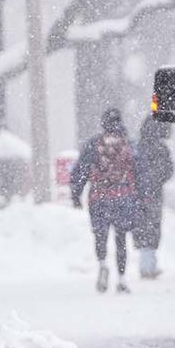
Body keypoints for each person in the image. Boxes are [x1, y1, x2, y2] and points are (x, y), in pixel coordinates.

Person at [71, 108, 139, 294]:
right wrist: (141, 196)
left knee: (100, 236)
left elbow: (81, 170)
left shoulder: (94, 144)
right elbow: (140, 171)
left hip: (98, 197)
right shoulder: (130, 145)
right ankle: (122, 279)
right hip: (122, 197)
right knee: (121, 238)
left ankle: (102, 264)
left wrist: (76, 194)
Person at [133, 113, 174, 278]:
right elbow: (169, 170)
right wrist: (157, 181)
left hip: (138, 194)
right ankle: (149, 265)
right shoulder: (161, 148)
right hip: (155, 194)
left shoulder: (137, 147)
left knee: (142, 227)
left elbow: (132, 170)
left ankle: (145, 264)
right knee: (153, 226)